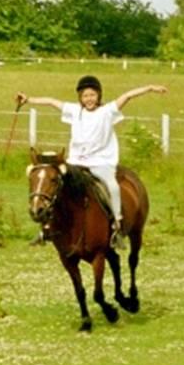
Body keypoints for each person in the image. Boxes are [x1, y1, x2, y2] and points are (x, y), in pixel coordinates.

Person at [17, 75, 168, 248]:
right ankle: (45, 228)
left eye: (92, 95)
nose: (89, 99)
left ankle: (117, 226)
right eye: (85, 96)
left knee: (112, 187)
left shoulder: (107, 111)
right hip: (76, 162)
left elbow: (127, 96)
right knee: (55, 186)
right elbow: (52, 102)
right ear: (80, 98)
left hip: (101, 162)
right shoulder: (75, 111)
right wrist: (28, 100)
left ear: (98, 95)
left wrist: (150, 88)